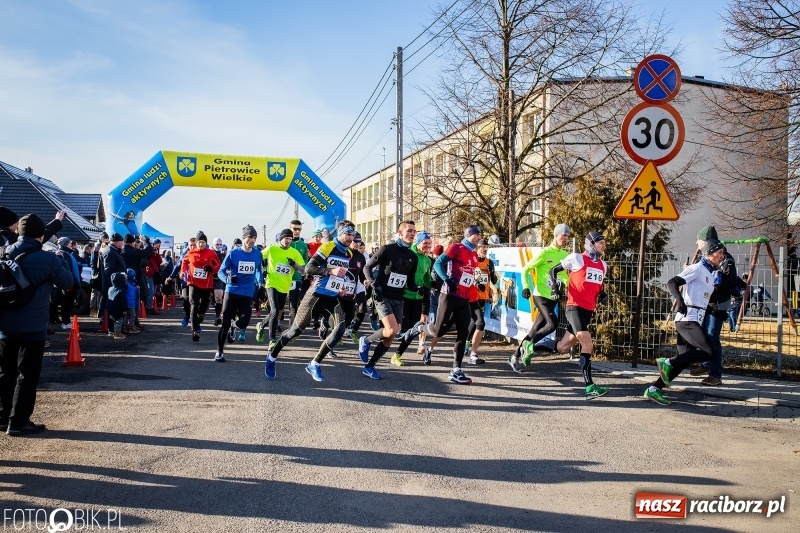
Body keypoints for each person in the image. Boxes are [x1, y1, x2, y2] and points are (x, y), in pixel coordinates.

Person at [0, 214, 74, 436]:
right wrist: (59, 259)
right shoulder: (47, 259)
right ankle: (19, 421)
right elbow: (68, 283)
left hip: (4, 325)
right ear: (41, 235)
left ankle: (3, 416)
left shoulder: (4, 253)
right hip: (32, 327)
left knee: (5, 372)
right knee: (27, 374)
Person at [264, 221, 357, 382]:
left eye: (353, 234)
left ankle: (314, 363)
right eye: (348, 234)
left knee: (340, 328)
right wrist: (329, 271)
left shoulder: (348, 253)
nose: (351, 238)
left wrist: (340, 286)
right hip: (315, 296)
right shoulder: (327, 247)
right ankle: (271, 357)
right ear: (340, 233)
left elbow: (339, 274)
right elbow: (309, 269)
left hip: (332, 297)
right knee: (295, 331)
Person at [644, 240, 727, 405]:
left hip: (695, 318)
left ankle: (653, 390)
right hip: (687, 319)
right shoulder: (696, 268)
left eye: (723, 254)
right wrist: (679, 300)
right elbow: (672, 282)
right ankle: (666, 362)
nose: (722, 256)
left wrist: (715, 312)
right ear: (710, 253)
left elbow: (700, 300)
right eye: (720, 253)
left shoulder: (710, 275)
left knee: (683, 361)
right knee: (709, 351)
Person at [548, 230, 610, 399]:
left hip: (588, 310)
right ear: (591, 244)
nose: (604, 245)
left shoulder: (603, 265)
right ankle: (590, 387)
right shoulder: (577, 258)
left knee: (563, 347)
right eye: (600, 242)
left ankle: (531, 346)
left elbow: (598, 285)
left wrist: (603, 295)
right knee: (587, 344)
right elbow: (553, 271)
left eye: (604, 243)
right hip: (574, 307)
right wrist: (555, 289)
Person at [420, 224, 484, 384]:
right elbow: (438, 264)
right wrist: (447, 279)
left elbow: (471, 274)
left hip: (464, 299)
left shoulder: (474, 254)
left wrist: (476, 282)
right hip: (448, 295)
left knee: (462, 333)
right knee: (438, 330)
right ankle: (419, 328)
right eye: (476, 234)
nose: (479, 237)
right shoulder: (456, 247)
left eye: (480, 235)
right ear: (469, 234)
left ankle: (456, 369)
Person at [358, 221, 421, 380]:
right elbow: (367, 267)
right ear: (400, 233)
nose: (412, 234)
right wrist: (373, 284)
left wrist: (421, 287)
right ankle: (365, 340)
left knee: (390, 336)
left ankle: (369, 366)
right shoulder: (388, 248)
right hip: (382, 294)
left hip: (398, 297)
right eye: (409, 231)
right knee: (392, 329)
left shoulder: (413, 256)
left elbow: (410, 281)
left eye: (414, 231)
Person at [511, 224, 571, 373]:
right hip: (540, 295)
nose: (565, 239)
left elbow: (563, 276)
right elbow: (526, 269)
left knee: (535, 329)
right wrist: (526, 286)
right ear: (556, 235)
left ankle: (514, 357)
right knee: (553, 323)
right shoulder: (544, 253)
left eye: (567, 236)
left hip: (552, 297)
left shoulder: (564, 255)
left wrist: (568, 285)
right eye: (563, 236)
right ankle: (529, 345)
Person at [689, 225, 739, 386]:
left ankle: (715, 375)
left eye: (700, 241)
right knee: (702, 336)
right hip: (705, 303)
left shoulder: (725, 258)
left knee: (712, 337)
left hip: (718, 304)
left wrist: (716, 286)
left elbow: (731, 281)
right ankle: (705, 365)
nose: (698, 244)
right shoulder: (705, 258)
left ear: (708, 242)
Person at [214, 225, 264, 362]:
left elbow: (259, 271)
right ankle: (219, 352)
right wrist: (228, 279)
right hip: (232, 291)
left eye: (254, 238)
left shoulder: (257, 254)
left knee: (243, 323)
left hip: (247, 293)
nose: (252, 240)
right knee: (224, 323)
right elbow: (220, 272)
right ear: (243, 238)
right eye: (250, 237)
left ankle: (234, 326)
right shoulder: (233, 253)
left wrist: (261, 284)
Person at [255, 228, 306, 347]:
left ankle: (261, 325)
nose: (288, 241)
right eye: (286, 238)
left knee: (277, 311)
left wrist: (293, 264)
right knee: (274, 310)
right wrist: (261, 270)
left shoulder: (294, 252)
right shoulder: (272, 248)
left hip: (284, 286)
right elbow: (258, 257)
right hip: (271, 283)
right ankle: (272, 340)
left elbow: (303, 271)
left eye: (290, 239)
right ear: (281, 239)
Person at [390, 232, 433, 367]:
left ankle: (397, 354)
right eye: (425, 243)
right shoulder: (410, 255)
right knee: (400, 329)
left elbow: (426, 278)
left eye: (429, 244)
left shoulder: (427, 260)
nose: (428, 246)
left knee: (413, 329)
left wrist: (433, 284)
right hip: (404, 296)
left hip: (418, 297)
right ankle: (373, 341)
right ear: (418, 243)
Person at [180, 231, 221, 342]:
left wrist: (211, 269)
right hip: (193, 282)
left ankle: (200, 316)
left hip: (207, 284)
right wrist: (182, 272)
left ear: (206, 243)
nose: (201, 244)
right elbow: (184, 262)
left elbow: (218, 264)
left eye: (203, 242)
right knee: (194, 303)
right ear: (196, 242)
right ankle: (194, 331)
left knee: (203, 305)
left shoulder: (211, 253)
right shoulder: (191, 252)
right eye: (199, 242)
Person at [465, 239, 498, 364]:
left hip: (483, 295)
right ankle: (467, 343)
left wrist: (493, 273)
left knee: (476, 321)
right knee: (476, 320)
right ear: (477, 248)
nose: (485, 249)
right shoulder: (473, 260)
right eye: (482, 247)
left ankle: (467, 343)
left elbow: (493, 280)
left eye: (486, 247)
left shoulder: (490, 262)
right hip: (472, 294)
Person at [100, 233, 127, 328]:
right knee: (113, 307)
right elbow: (108, 270)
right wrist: (120, 276)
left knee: (116, 307)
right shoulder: (110, 252)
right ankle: (112, 328)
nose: (123, 243)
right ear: (117, 242)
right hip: (112, 285)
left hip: (116, 284)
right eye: (121, 241)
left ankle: (116, 328)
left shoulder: (115, 251)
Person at [55, 237, 80, 330]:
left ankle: (66, 321)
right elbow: (67, 269)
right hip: (68, 283)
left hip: (69, 282)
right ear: (65, 244)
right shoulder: (64, 254)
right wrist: (71, 282)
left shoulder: (67, 253)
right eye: (69, 243)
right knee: (66, 303)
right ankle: (65, 322)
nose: (71, 244)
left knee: (67, 303)